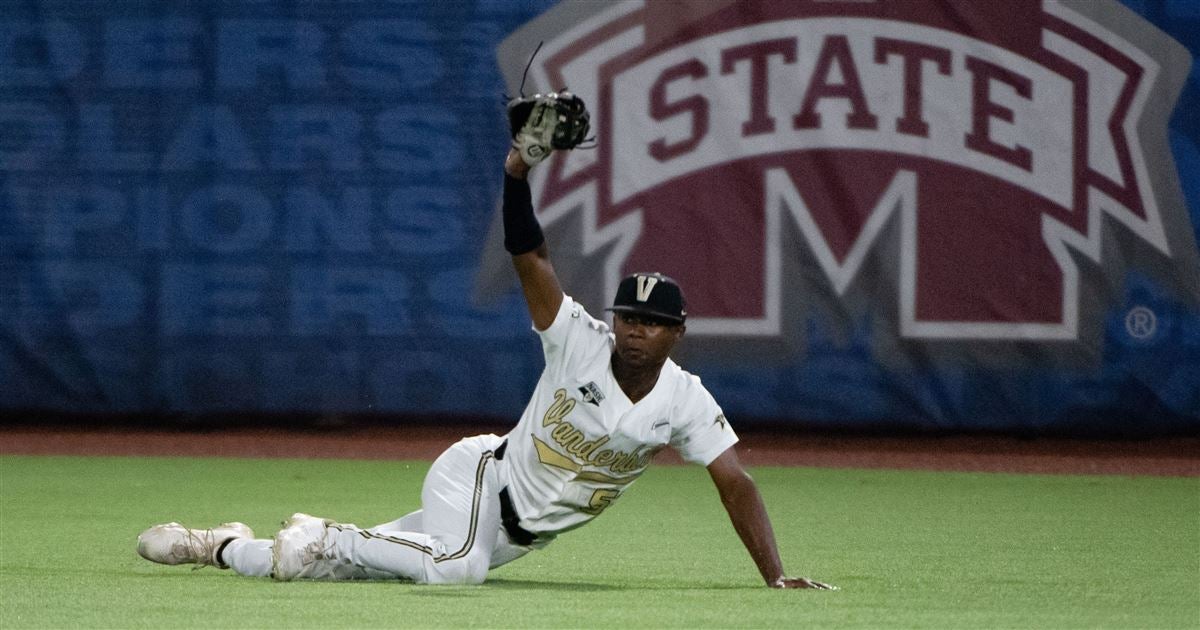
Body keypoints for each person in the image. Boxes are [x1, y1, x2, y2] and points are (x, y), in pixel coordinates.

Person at [136, 128, 836, 591]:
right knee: (453, 572)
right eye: (629, 317)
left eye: (652, 324)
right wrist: (516, 174)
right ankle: (326, 531)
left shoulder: (684, 400)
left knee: (327, 571)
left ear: (676, 334)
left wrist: (774, 576)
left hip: (513, 538)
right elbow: (529, 255)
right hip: (476, 478)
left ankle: (223, 547)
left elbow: (735, 482)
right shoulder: (577, 338)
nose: (635, 331)